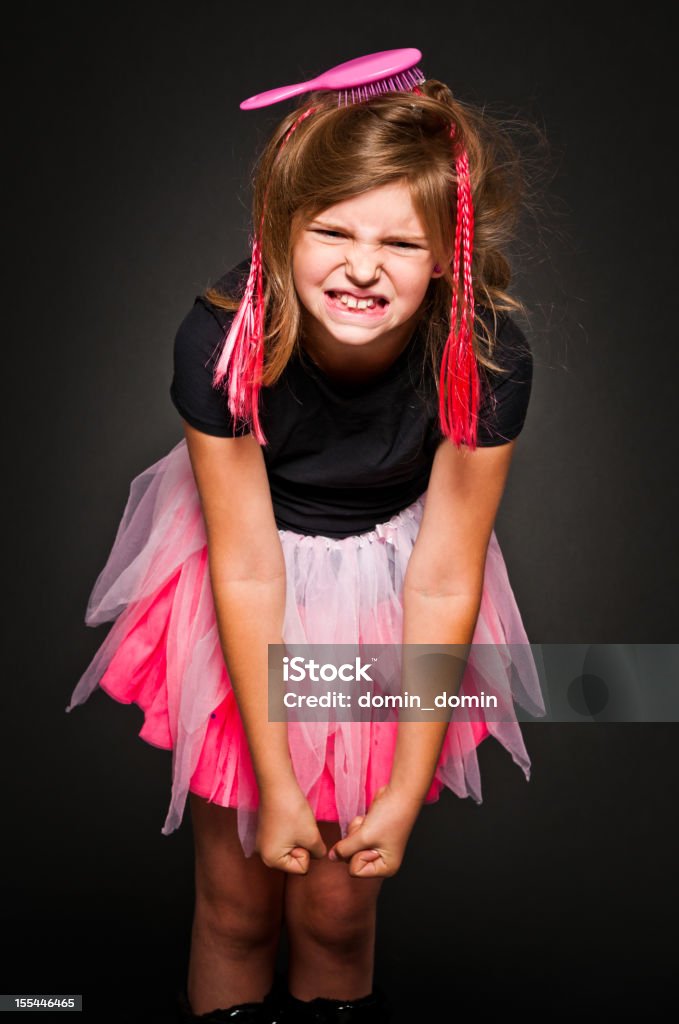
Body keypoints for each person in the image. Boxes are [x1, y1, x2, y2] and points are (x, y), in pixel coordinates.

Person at [66, 61, 546, 1024]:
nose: (362, 267)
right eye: (332, 230)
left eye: (399, 243)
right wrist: (276, 784)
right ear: (281, 231)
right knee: (239, 904)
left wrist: (406, 791)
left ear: (447, 254)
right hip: (251, 588)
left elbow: (446, 578)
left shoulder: (485, 355)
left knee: (334, 910)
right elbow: (244, 566)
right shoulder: (223, 339)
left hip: (390, 598)